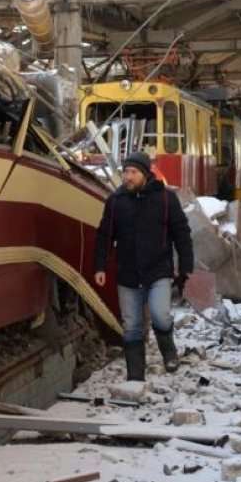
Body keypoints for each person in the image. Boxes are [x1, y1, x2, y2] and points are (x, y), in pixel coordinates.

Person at [93, 151, 194, 380]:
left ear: (145, 175)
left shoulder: (166, 199)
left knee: (160, 315)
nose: (127, 177)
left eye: (133, 172)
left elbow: (181, 233)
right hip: (127, 274)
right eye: (125, 172)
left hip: (158, 271)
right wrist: (99, 266)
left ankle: (169, 352)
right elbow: (104, 236)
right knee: (131, 326)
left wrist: (186, 266)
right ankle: (135, 375)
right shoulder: (116, 201)